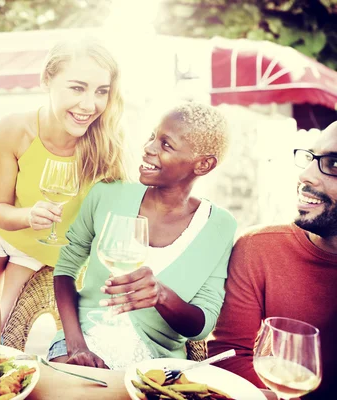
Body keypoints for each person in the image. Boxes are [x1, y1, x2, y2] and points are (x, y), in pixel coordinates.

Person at [50, 102, 236, 369]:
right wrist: (76, 345)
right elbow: (65, 268)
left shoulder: (219, 226)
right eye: (152, 137)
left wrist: (161, 295)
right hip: (83, 340)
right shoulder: (107, 193)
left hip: (156, 362)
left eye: (166, 145)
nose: (148, 148)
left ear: (204, 164)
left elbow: (202, 325)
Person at [0, 37, 128, 329]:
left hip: (46, 252)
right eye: (77, 87)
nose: (89, 104)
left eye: (101, 91)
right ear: (47, 79)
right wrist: (28, 215)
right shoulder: (14, 129)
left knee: (3, 328)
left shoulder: (109, 145)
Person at [208, 123, 337, 399]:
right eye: (311, 158)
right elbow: (228, 356)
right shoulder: (259, 248)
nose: (305, 175)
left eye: (334, 164)